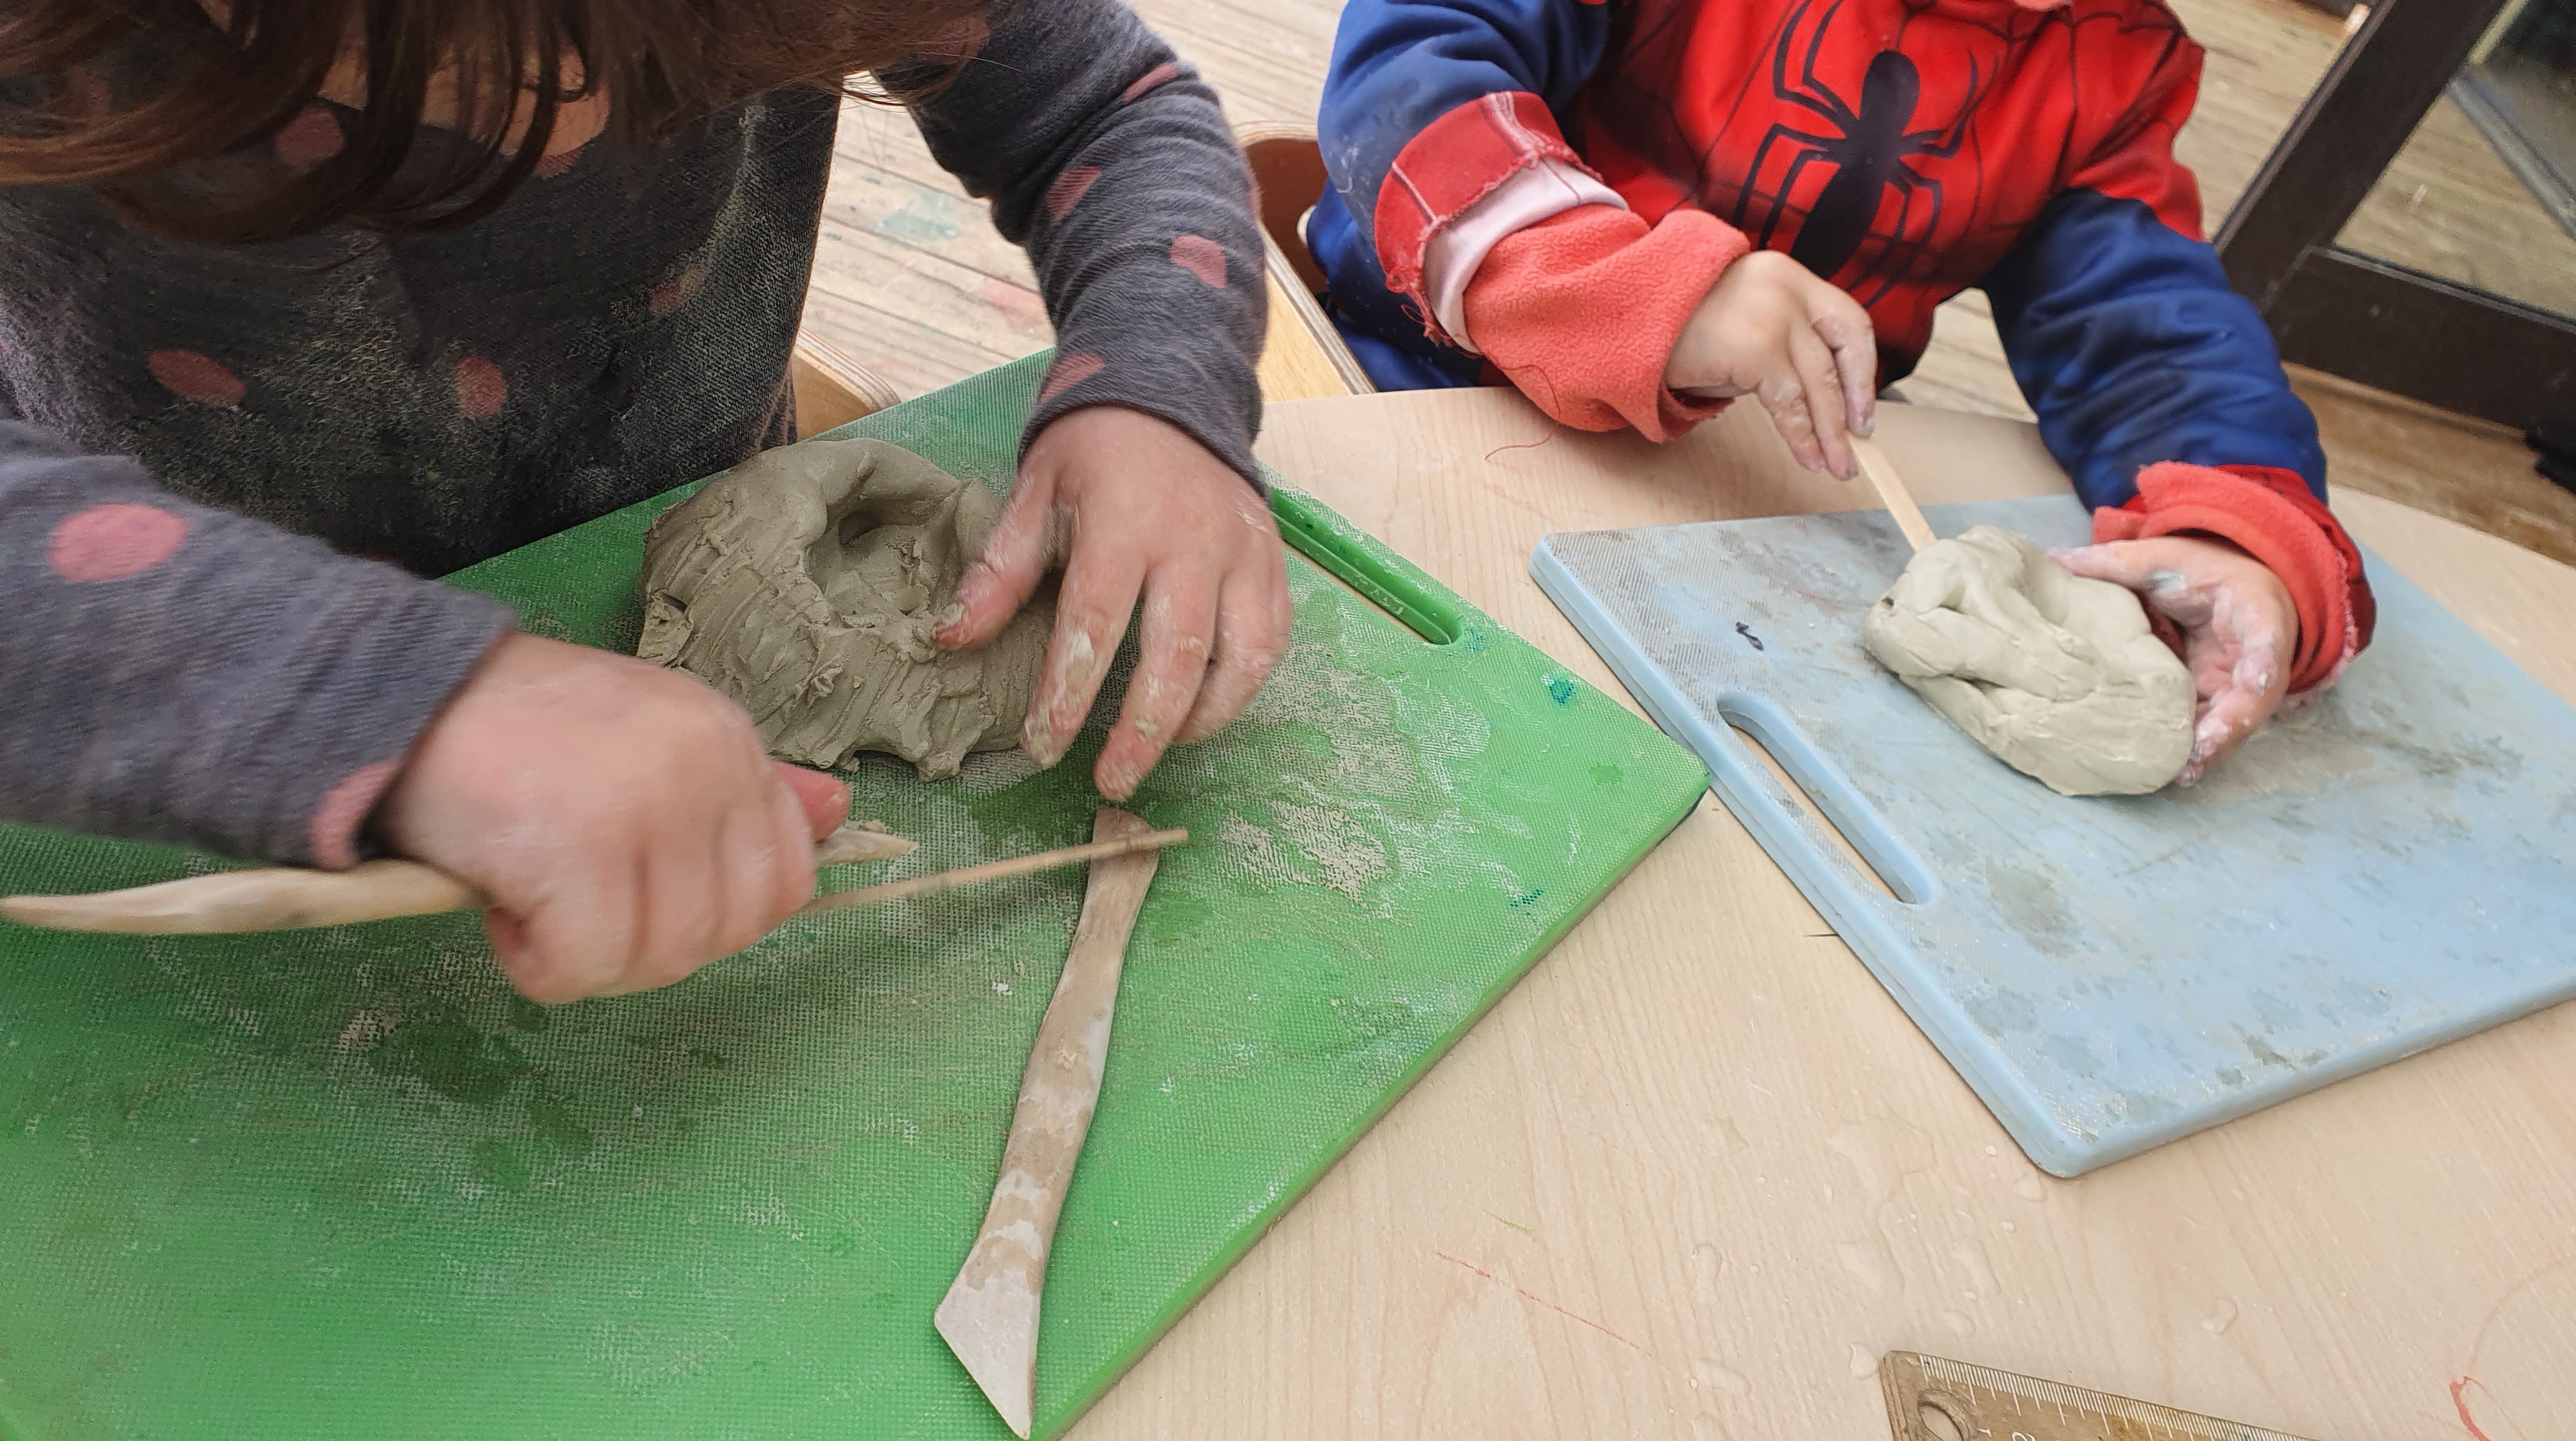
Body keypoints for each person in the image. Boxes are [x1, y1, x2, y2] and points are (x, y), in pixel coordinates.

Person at [0, 0, 1288, 1001]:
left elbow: (1106, 109)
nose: (570, 111)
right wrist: (385, 698)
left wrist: (1158, 385)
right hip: (160, 702)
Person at [1312, 0, 2375, 782]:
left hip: (1744, 507)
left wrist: (2239, 531)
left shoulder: (2106, 64)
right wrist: (1630, 286)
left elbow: (2147, 335)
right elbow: (1416, 65)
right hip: (1431, 390)